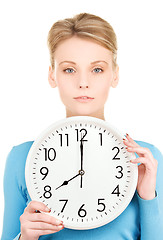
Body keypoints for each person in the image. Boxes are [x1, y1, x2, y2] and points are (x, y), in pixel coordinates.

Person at [1, 12, 163, 240]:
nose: (83, 83)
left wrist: (147, 197)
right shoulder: (22, 159)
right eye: (69, 69)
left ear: (114, 75)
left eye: (97, 69)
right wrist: (24, 238)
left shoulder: (146, 160)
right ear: (52, 75)